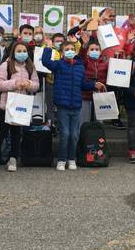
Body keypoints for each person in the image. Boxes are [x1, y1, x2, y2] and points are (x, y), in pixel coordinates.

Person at [42, 41, 104, 171]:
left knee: (74, 134)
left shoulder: (80, 67)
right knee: (65, 133)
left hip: (76, 105)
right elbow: (45, 62)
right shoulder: (58, 65)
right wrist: (48, 48)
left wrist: (93, 85)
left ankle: (71, 159)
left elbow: (83, 85)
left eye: (72, 49)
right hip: (62, 105)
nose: (70, 51)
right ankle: (61, 159)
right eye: (67, 49)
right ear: (62, 52)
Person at [0, 42, 39, 172]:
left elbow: (37, 85)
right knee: (2, 131)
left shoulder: (30, 66)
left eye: (24, 51)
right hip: (6, 104)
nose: (22, 53)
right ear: (13, 52)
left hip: (21, 104)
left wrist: (29, 84)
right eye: (19, 51)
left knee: (16, 133)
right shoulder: (6, 65)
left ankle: (13, 158)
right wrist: (15, 83)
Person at [78, 35, 108, 127]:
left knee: (99, 123)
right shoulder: (84, 62)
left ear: (100, 51)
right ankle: (82, 140)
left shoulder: (105, 63)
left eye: (97, 49)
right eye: (92, 49)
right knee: (83, 122)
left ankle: (98, 141)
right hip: (85, 96)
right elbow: (81, 56)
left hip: (100, 97)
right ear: (87, 52)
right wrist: (84, 46)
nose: (94, 51)